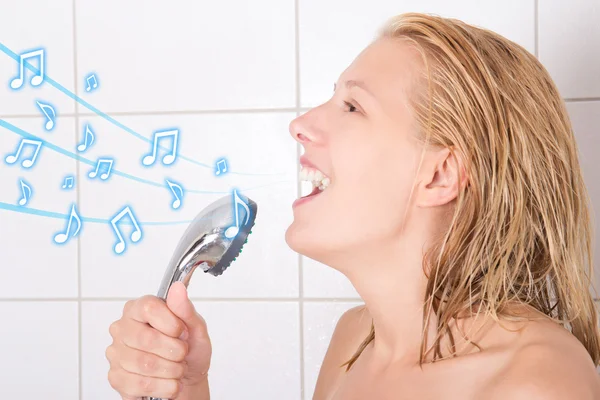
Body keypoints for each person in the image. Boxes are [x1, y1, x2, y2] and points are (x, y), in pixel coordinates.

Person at [105, 12, 600, 399]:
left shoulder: (538, 382)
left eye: (352, 106)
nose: (300, 124)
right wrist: (188, 391)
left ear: (439, 174)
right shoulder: (352, 345)